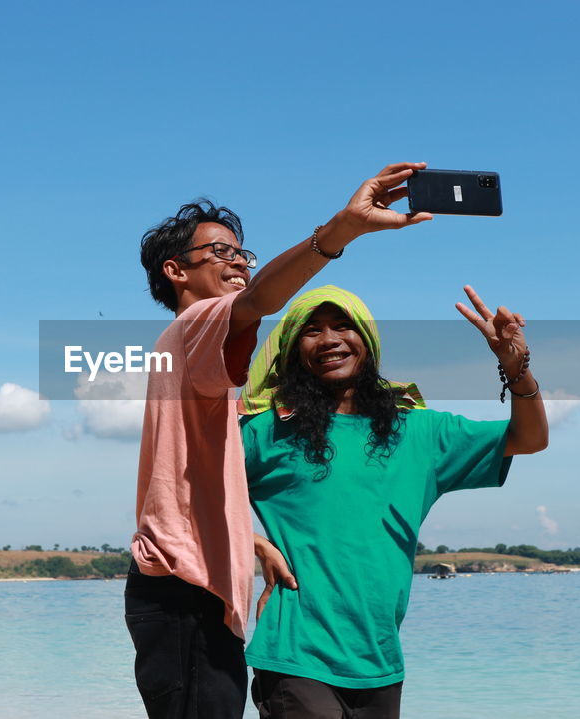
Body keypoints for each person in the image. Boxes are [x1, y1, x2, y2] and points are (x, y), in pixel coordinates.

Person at [128, 164, 435, 718]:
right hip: (183, 591)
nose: (239, 263)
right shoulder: (196, 324)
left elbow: (188, 482)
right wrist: (340, 230)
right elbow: (262, 301)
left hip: (190, 589)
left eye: (241, 253)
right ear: (176, 271)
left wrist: (253, 541)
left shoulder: (187, 356)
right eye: (221, 252)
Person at [238, 285, 549, 718]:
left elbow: (530, 439)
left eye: (343, 325)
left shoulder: (419, 432)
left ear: (368, 340)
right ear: (293, 350)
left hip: (380, 661)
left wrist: (516, 368)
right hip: (295, 655)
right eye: (312, 330)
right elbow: (183, 498)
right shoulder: (268, 432)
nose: (329, 339)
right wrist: (254, 542)